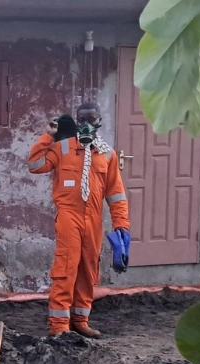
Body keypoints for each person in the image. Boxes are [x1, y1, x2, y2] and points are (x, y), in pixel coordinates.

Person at [28, 102, 130, 338]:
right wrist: (48, 135)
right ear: (75, 121)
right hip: (68, 217)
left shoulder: (107, 154)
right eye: (81, 119)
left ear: (99, 122)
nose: (85, 124)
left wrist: (121, 225)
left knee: (87, 269)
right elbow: (35, 165)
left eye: (90, 119)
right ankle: (59, 326)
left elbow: (116, 195)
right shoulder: (62, 148)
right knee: (66, 267)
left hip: (93, 220)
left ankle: (80, 321)